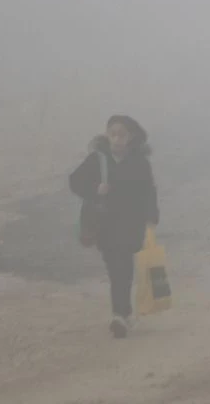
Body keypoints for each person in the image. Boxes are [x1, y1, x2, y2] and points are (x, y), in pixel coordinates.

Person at [69, 115, 160, 339]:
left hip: (131, 224)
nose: (117, 139)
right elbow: (75, 181)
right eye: (113, 134)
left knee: (123, 268)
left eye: (122, 135)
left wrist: (151, 216)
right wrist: (94, 189)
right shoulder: (97, 159)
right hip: (106, 224)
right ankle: (122, 314)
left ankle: (121, 314)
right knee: (116, 268)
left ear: (131, 137)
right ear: (107, 135)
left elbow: (149, 191)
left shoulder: (139, 162)